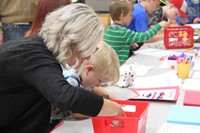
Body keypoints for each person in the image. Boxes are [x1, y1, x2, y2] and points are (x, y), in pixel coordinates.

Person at [0, 4, 125, 133]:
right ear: (75, 41)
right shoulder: (35, 56)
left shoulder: (42, 51)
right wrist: (110, 107)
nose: (87, 57)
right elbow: (65, 96)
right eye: (90, 49)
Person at [104, 0, 170, 65]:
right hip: (119, 68)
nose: (132, 18)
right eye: (130, 15)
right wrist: (159, 26)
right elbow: (144, 36)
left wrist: (128, 44)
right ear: (122, 16)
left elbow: (116, 46)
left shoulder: (108, 30)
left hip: (111, 67)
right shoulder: (123, 32)